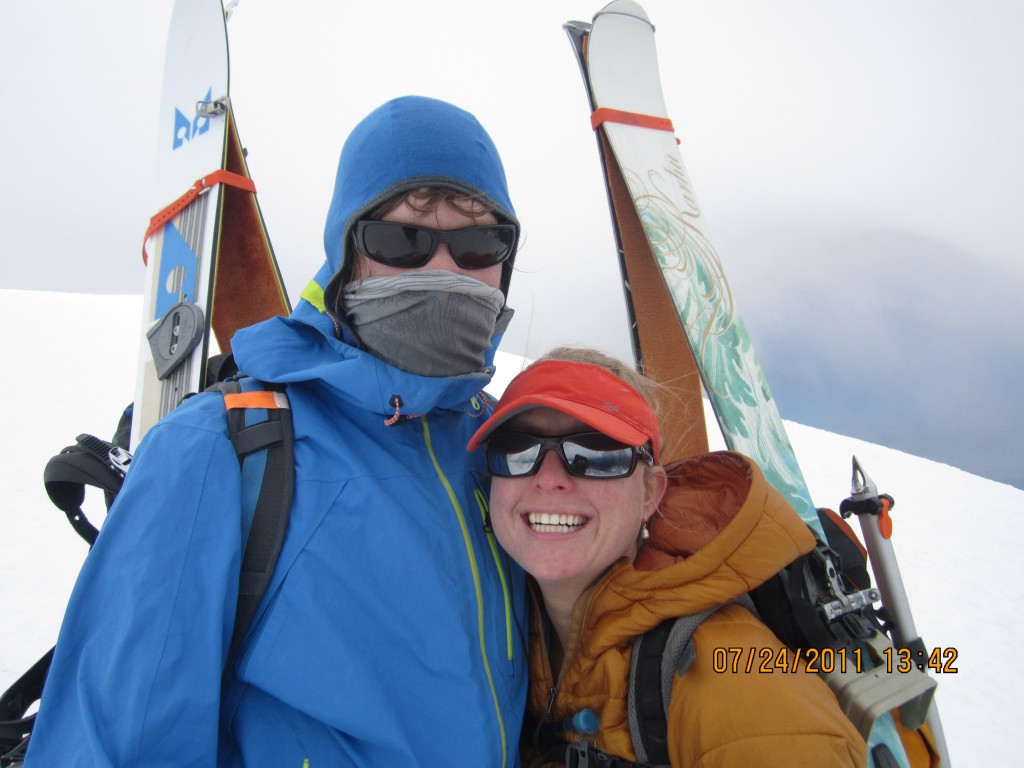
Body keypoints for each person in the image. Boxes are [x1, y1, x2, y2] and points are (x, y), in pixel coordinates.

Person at [27, 96, 527, 767]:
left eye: (477, 242)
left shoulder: (508, 454)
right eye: (404, 238)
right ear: (348, 253)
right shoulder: (219, 450)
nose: (443, 270)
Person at [467, 347, 868, 767]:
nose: (549, 479)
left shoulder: (731, 675)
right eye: (517, 450)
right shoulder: (502, 631)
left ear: (651, 494)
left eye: (596, 454)